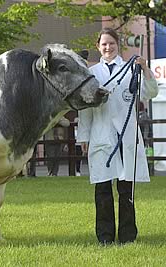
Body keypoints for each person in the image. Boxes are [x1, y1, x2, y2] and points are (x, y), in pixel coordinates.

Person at [77, 28, 159, 245]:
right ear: (98, 46)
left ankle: (127, 236)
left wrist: (145, 68)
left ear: (117, 45)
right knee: (103, 189)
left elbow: (151, 93)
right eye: (104, 44)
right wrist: (83, 137)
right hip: (102, 136)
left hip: (127, 136)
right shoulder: (92, 74)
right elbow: (85, 109)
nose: (108, 47)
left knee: (126, 191)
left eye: (111, 43)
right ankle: (104, 236)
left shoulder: (132, 69)